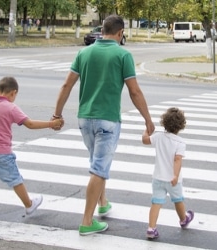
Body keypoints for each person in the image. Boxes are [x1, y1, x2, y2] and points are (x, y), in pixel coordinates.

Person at [51, 14, 155, 236]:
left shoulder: (84, 52)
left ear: (102, 31)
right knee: (99, 168)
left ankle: (103, 203)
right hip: (107, 120)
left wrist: (57, 114)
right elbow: (134, 91)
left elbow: (66, 85)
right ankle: (87, 221)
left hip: (84, 119)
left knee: (96, 163)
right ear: (120, 33)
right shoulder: (122, 54)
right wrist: (148, 119)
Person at [0, 76, 63, 235]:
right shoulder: (10, 108)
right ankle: (29, 205)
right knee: (16, 180)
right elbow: (30, 124)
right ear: (13, 93)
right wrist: (51, 124)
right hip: (1, 153)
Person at [141, 107, 194, 239]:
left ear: (164, 123)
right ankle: (183, 219)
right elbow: (177, 160)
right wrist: (175, 175)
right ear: (181, 126)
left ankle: (151, 228)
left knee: (156, 203)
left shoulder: (158, 137)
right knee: (178, 200)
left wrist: (146, 130)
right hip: (172, 180)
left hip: (158, 178)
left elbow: (145, 140)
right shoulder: (180, 142)